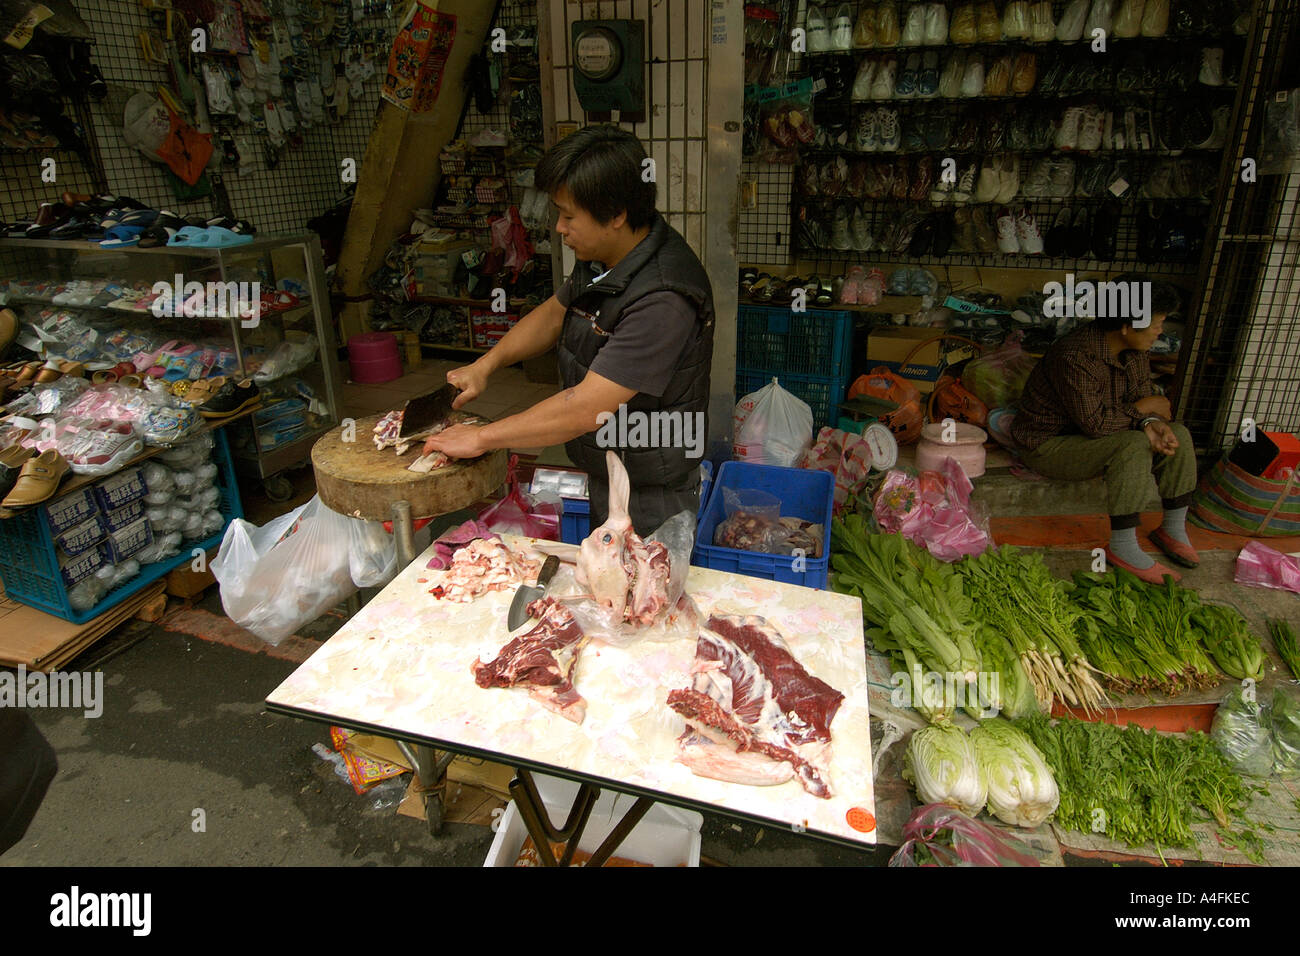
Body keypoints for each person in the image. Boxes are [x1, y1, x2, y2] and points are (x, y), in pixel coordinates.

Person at [423, 125, 715, 535]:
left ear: (616, 214)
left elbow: (584, 408)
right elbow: (554, 313)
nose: (559, 227)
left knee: (645, 591)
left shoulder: (663, 297)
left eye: (568, 215)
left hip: (652, 487)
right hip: (613, 464)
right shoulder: (608, 257)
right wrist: (485, 365)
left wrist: (482, 438)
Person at [1010, 277, 1197, 584]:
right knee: (1133, 446)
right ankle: (1123, 545)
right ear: (1126, 325)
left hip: (1099, 433)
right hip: (1050, 446)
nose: (1160, 332)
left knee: (1179, 433)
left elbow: (1139, 396)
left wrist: (1153, 424)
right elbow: (1096, 424)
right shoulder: (1074, 356)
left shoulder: (1134, 349)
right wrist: (1145, 410)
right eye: (1156, 323)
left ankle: (1172, 528)